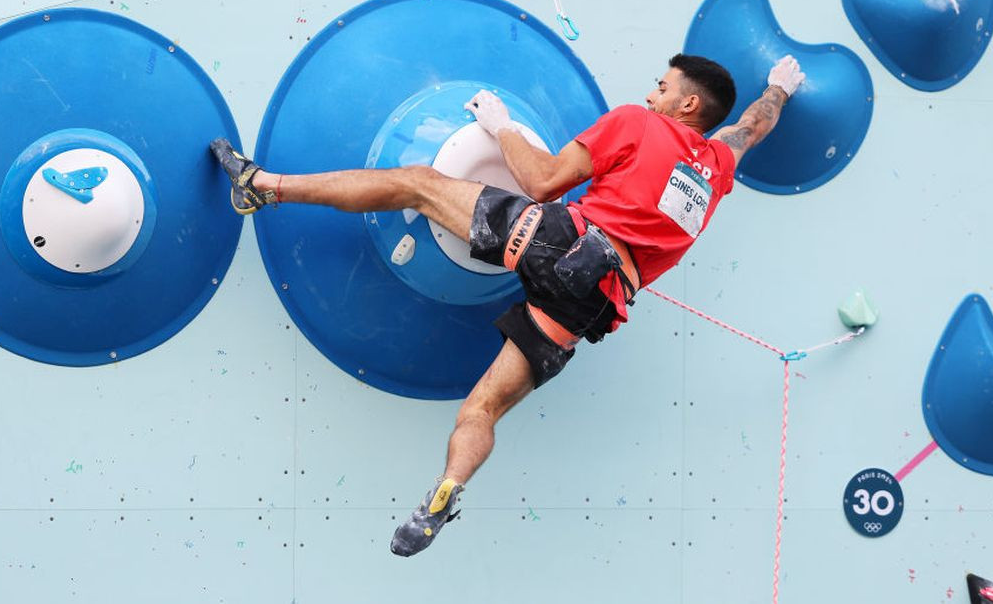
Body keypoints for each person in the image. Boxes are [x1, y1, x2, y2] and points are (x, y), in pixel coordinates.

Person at [210, 53, 805, 557]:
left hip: (557, 245)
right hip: (596, 305)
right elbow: (754, 124)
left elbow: (544, 181)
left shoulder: (636, 124)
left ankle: (264, 186)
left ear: (687, 107)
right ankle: (443, 491)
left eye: (663, 87)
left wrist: (502, 129)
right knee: (483, 410)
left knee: (416, 181)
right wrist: (779, 86)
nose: (651, 94)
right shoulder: (716, 167)